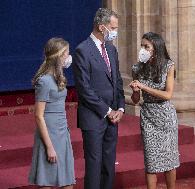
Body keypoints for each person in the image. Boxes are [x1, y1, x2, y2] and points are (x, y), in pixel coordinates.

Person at [72, 8, 125, 189]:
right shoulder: (82, 50)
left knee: (109, 165)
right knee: (94, 166)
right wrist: (108, 111)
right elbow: (84, 89)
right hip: (94, 118)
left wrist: (121, 108)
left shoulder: (111, 49)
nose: (116, 32)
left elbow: (117, 80)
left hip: (113, 118)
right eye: (113, 27)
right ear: (102, 27)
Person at [129, 32, 180, 189]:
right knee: (151, 161)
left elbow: (168, 94)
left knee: (169, 160)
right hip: (148, 116)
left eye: (146, 46)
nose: (142, 49)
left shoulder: (168, 66)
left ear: (156, 48)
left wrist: (144, 86)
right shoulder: (137, 68)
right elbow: (135, 100)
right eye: (142, 46)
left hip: (165, 116)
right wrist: (136, 91)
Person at [28, 37, 75, 188]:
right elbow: (39, 115)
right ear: (59, 56)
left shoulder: (58, 77)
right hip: (49, 134)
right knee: (47, 180)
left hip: (62, 132)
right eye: (67, 53)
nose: (69, 57)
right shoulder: (45, 81)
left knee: (67, 181)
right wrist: (49, 147)